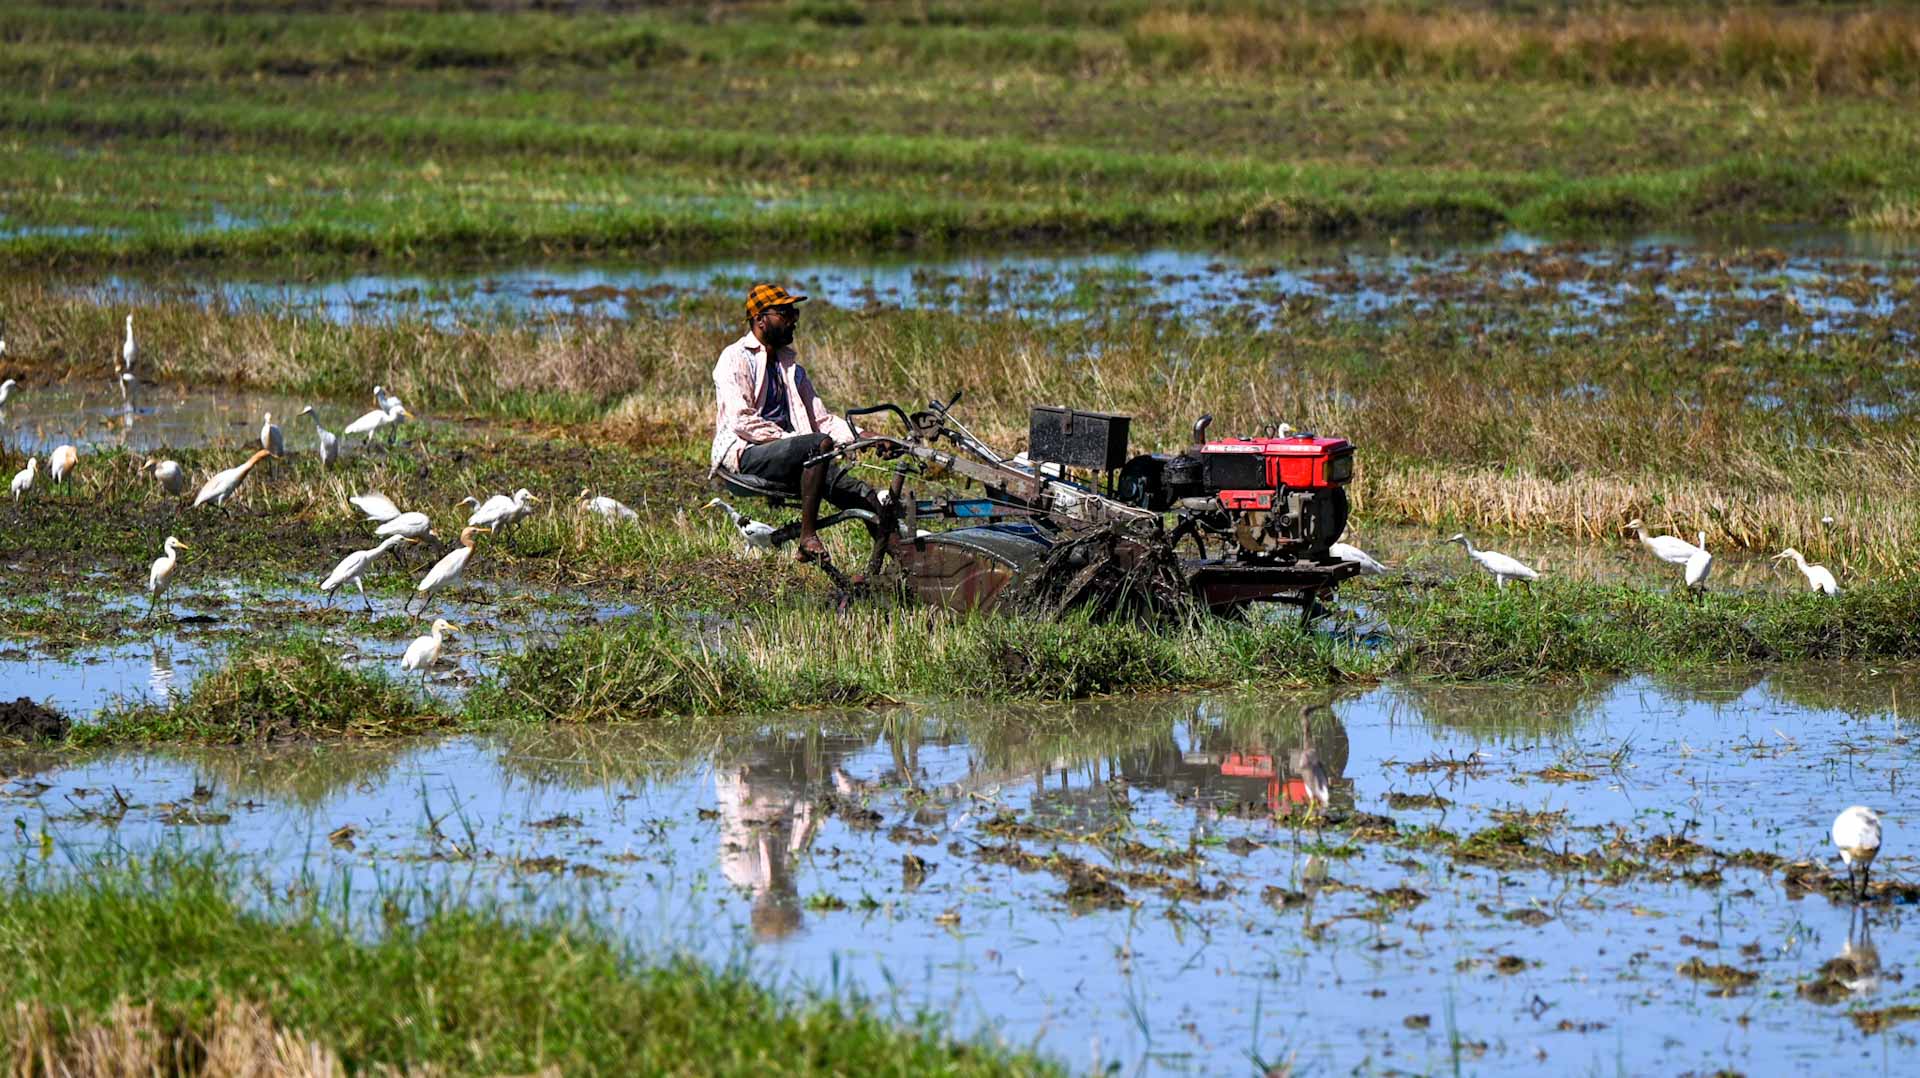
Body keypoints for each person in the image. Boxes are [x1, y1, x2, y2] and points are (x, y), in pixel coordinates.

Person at [710, 283, 876, 561]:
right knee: (816, 445)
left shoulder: (792, 369)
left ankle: (907, 569)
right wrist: (796, 442)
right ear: (761, 319)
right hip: (747, 452)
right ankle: (807, 538)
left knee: (867, 498)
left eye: (794, 312)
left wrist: (862, 435)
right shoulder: (735, 358)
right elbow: (742, 421)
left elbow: (821, 420)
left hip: (802, 454)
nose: (793, 319)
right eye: (785, 313)